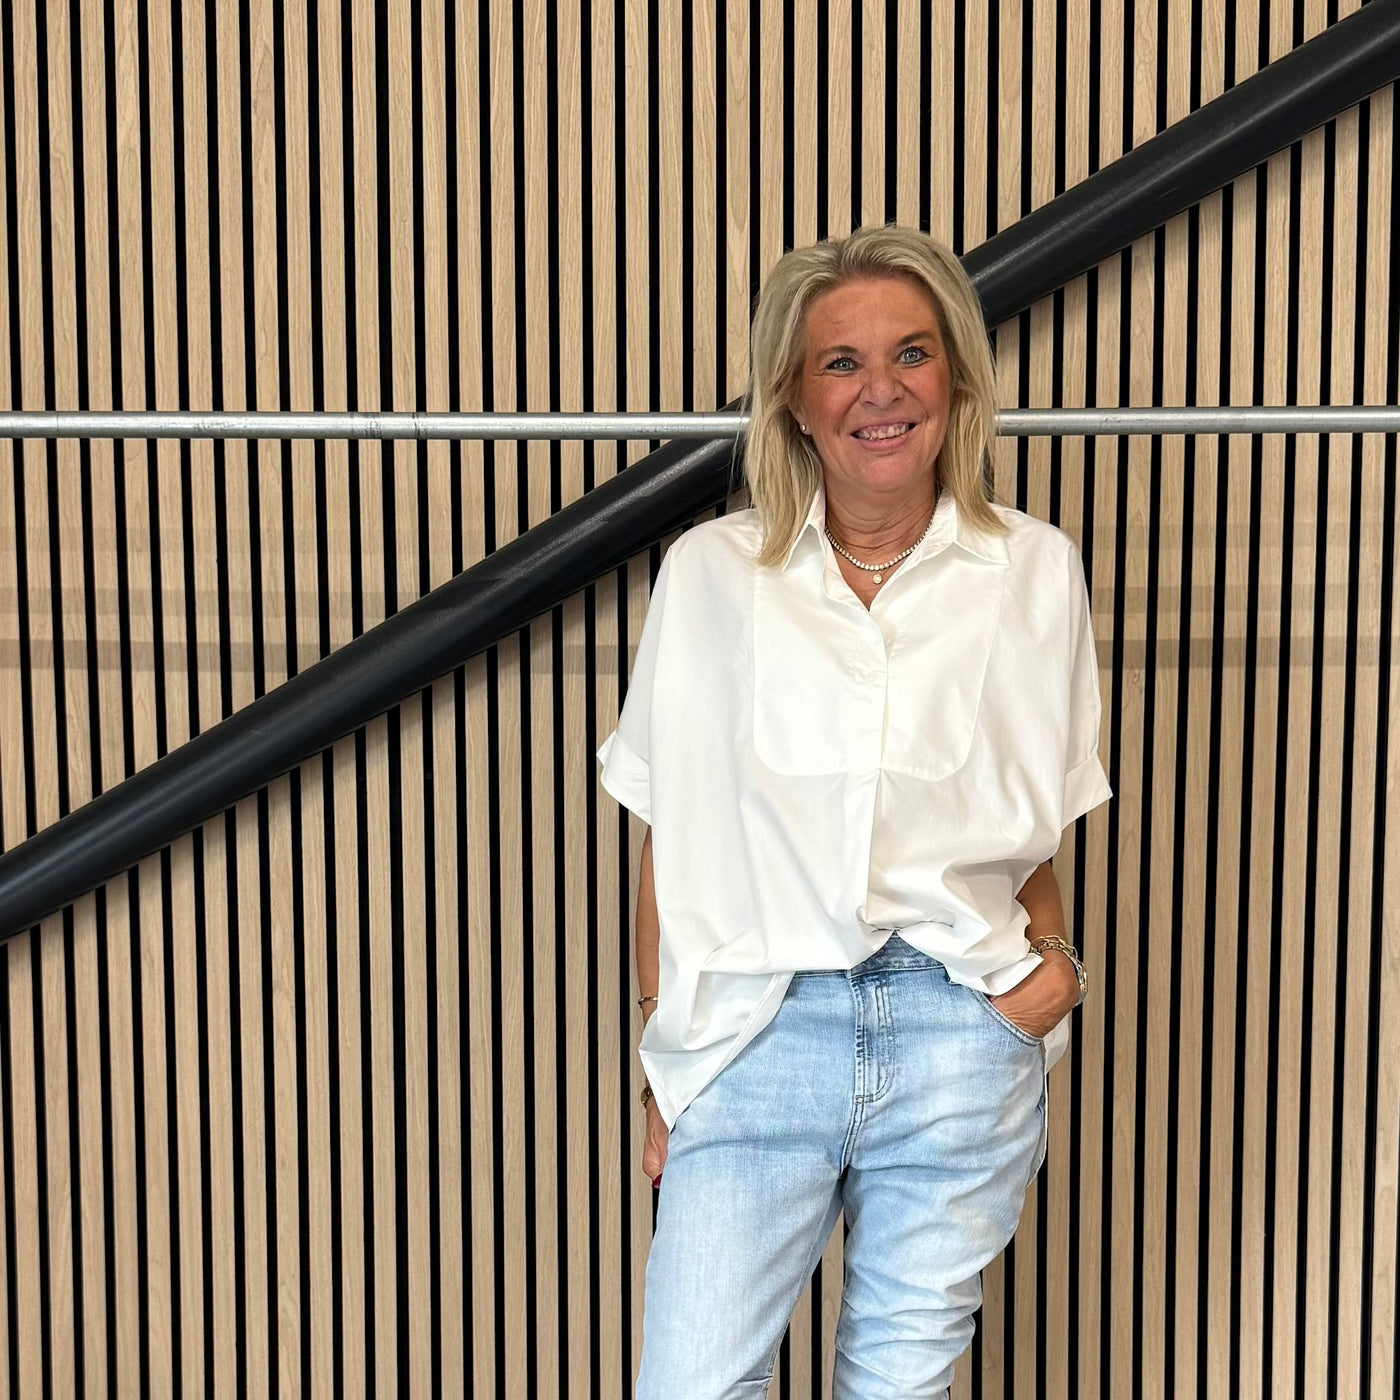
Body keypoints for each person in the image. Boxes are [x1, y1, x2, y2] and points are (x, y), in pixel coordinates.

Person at [597, 224, 1113, 1399]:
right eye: (841, 362)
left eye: (911, 353)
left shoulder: (1032, 570)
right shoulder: (711, 574)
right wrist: (662, 1051)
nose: (880, 390)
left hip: (956, 1030)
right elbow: (671, 836)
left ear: (954, 377)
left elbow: (1027, 825)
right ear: (792, 397)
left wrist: (1053, 970)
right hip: (754, 1029)